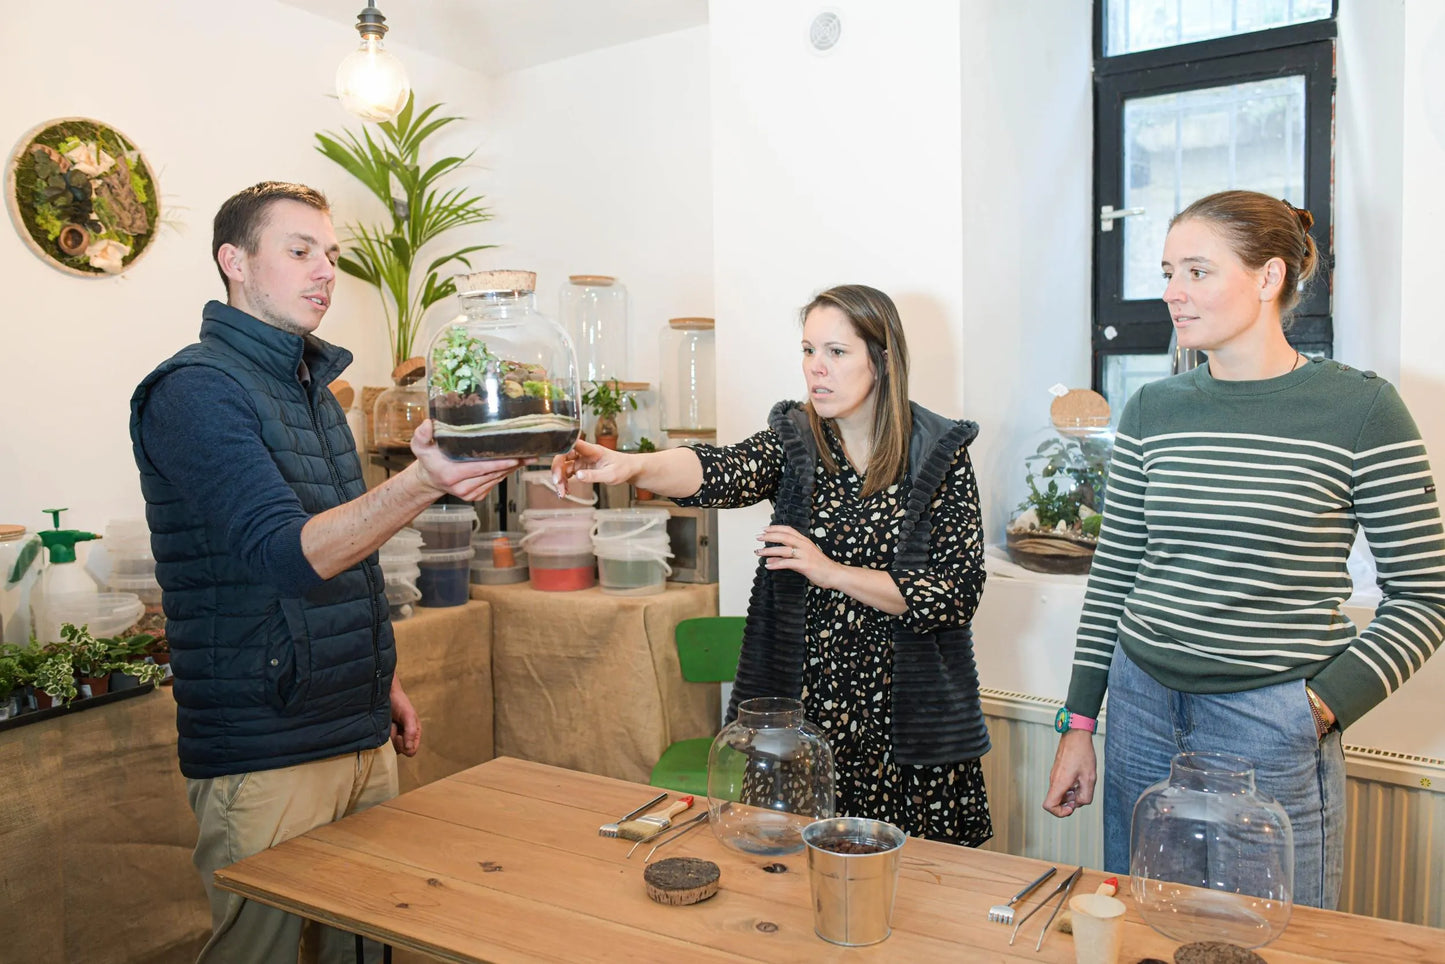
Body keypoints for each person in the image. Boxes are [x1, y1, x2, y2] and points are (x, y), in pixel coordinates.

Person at [129, 181, 521, 963]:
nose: (324, 272)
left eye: (331, 255)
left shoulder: (309, 387)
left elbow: (350, 558)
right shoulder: (194, 391)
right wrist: (423, 480)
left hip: (354, 724)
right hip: (266, 745)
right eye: (299, 250)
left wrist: (382, 679)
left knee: (365, 945)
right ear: (233, 261)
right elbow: (288, 553)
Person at [1042, 190, 1445, 909]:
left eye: (1196, 271)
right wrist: (1079, 723)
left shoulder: (1360, 409)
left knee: (1274, 938)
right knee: (1145, 924)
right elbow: (1114, 576)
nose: (1171, 293)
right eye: (1167, 272)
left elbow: (1424, 597)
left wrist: (1319, 707)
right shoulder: (1152, 410)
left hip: (1270, 724)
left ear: (1268, 278)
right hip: (1139, 709)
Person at [553, 284, 993, 844]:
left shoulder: (939, 450)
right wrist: (630, 466)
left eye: (837, 352)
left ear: (882, 359)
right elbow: (722, 470)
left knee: (921, 899)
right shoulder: (798, 439)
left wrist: (828, 569)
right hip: (808, 728)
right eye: (808, 351)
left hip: (909, 733)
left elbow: (954, 594)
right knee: (790, 891)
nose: (817, 370)